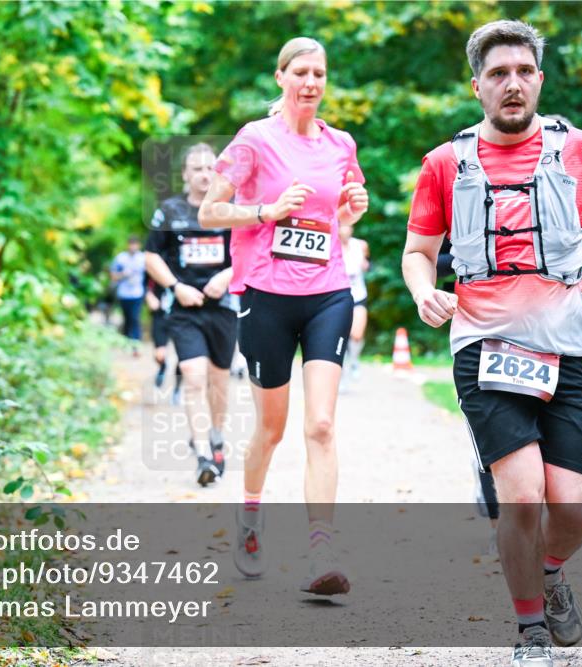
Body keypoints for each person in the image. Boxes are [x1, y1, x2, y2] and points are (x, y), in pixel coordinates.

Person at [401, 20, 582, 667]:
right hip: (486, 344)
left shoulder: (581, 150)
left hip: (567, 346)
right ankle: (530, 628)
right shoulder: (445, 163)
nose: (513, 84)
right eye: (499, 73)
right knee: (524, 493)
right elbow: (418, 251)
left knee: (575, 506)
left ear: (540, 79)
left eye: (524, 72)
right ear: (476, 85)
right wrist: (424, 290)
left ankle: (550, 570)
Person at [199, 37, 369, 595]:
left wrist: (351, 209)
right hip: (266, 296)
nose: (310, 82)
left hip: (328, 292)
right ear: (281, 77)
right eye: (300, 72)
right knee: (271, 430)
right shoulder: (255, 139)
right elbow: (210, 211)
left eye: (319, 73)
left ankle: (321, 551)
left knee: (320, 424)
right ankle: (250, 516)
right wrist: (265, 211)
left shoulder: (341, 144)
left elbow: (337, 216)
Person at [146, 143, 237, 486]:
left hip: (223, 307)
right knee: (193, 376)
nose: (204, 175)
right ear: (185, 174)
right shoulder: (169, 211)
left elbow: (250, 253)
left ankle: (216, 438)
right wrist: (176, 286)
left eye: (210, 168)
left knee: (219, 381)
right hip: (184, 310)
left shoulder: (230, 210)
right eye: (196, 169)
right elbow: (151, 257)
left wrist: (225, 277)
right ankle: (202, 456)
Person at [338, 223, 370, 386]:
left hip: (358, 295)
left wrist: (365, 264)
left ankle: (354, 360)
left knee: (357, 334)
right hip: (338, 295)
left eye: (348, 226)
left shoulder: (361, 245)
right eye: (342, 227)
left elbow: (367, 265)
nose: (345, 230)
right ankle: (342, 373)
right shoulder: (332, 245)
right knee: (340, 335)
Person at [110, 236, 146, 348]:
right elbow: (113, 276)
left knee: (135, 318)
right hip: (124, 294)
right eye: (131, 244)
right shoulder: (121, 258)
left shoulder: (143, 258)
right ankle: (127, 342)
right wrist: (123, 274)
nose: (133, 247)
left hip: (137, 293)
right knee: (127, 319)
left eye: (135, 244)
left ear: (138, 245)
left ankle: (136, 344)